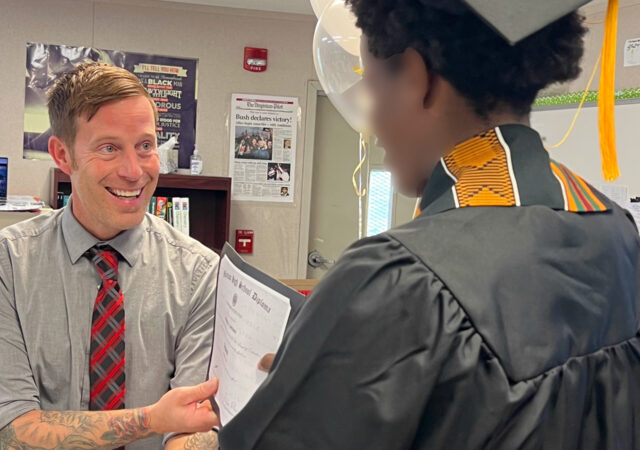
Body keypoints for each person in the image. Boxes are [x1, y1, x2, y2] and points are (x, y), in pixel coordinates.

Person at [219, 1, 640, 449]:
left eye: (373, 88)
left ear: (417, 80)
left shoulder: (398, 277)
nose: (372, 123)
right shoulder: (617, 231)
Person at [0, 63, 220, 449]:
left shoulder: (199, 273)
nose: (134, 172)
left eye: (146, 146)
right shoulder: (9, 264)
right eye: (109, 148)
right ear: (63, 155)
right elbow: (13, 429)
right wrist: (151, 420)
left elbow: (194, 425)